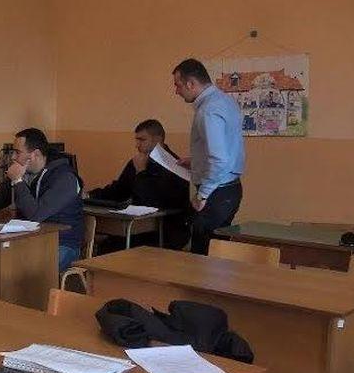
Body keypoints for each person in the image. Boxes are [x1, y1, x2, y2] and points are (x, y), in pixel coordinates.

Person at [0, 128, 84, 272]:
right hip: (28, 239)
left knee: (23, 270)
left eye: (17, 152)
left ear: (35, 154)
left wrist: (18, 181)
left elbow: (35, 215)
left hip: (62, 243)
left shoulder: (65, 178)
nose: (13, 157)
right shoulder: (22, 173)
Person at [172, 58, 245, 255]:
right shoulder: (226, 101)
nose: (176, 91)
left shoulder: (208, 110)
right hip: (230, 190)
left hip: (216, 193)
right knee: (218, 253)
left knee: (203, 256)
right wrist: (196, 161)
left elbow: (220, 159)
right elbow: (227, 149)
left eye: (178, 85)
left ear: (191, 84)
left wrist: (202, 195)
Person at [86, 119, 190, 249]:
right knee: (103, 241)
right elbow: (119, 189)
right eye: (137, 140)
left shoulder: (173, 166)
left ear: (157, 141)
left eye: (142, 140)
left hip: (164, 230)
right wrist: (90, 196)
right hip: (137, 225)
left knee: (111, 246)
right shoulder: (138, 161)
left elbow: (151, 201)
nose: (137, 145)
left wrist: (141, 173)